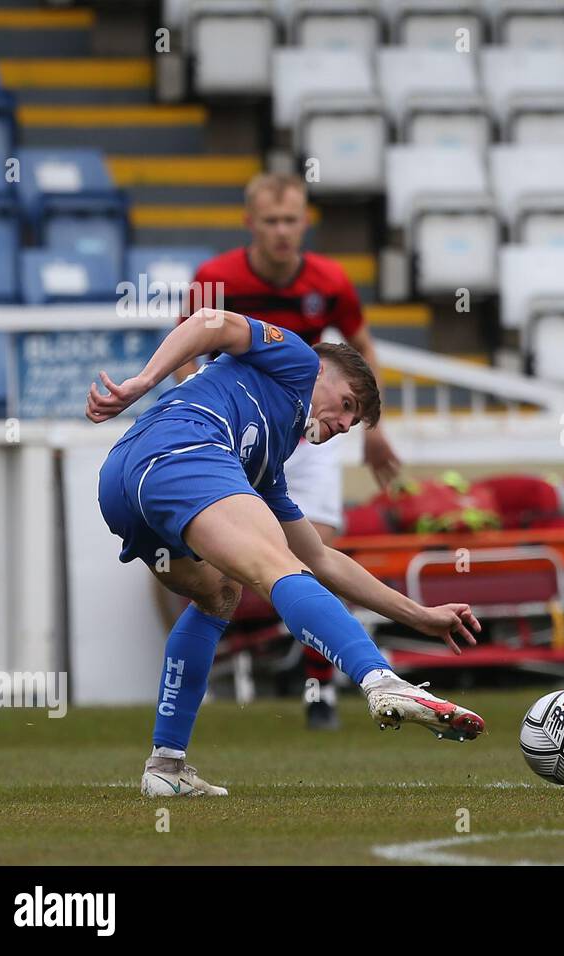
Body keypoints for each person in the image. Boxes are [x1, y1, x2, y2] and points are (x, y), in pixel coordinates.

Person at [92, 308, 484, 797]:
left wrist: (418, 615)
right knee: (277, 567)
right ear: (322, 371)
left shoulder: (268, 462)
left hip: (122, 482)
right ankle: (381, 681)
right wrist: (144, 380)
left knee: (222, 596)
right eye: (346, 404)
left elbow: (322, 559)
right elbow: (211, 321)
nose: (343, 423)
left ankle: (165, 768)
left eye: (353, 421)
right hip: (183, 448)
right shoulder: (299, 359)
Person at [177, 172, 401, 730]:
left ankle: (316, 689)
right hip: (238, 430)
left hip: (309, 437)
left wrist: (372, 428)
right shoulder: (215, 276)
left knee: (313, 557)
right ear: (251, 223)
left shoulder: (329, 280)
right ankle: (193, 682)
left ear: (305, 222)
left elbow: (361, 346)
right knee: (195, 562)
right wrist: (194, 408)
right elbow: (189, 339)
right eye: (271, 221)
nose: (282, 231)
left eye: (291, 220)